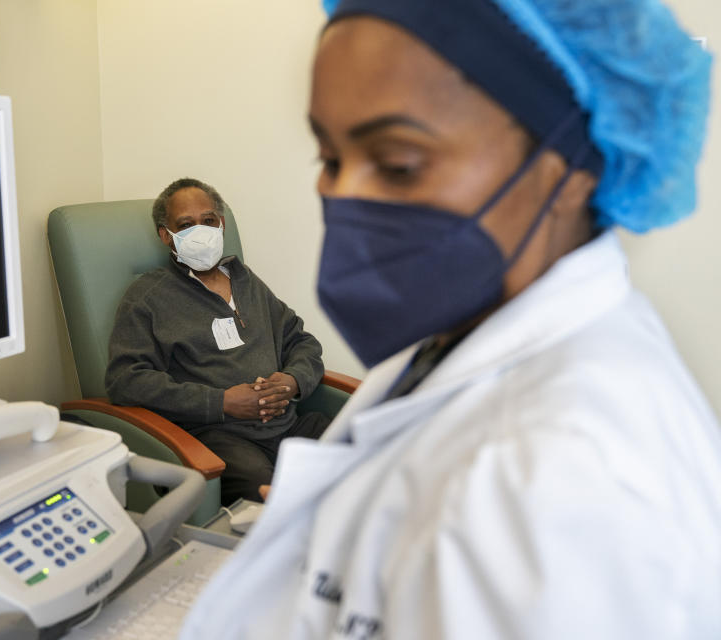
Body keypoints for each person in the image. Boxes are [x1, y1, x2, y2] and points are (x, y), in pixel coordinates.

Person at [181, 0, 720, 638]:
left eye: (399, 162)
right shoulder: (457, 337)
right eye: (329, 159)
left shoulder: (575, 476)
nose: (340, 194)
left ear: (569, 170)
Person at [105, 177, 330, 505]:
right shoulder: (147, 298)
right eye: (186, 224)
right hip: (222, 436)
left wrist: (292, 381)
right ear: (166, 236)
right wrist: (221, 402)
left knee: (364, 462)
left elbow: (301, 341)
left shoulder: (246, 281)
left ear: (221, 225)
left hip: (288, 427)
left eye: (208, 221)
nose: (201, 230)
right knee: (275, 499)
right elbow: (125, 381)